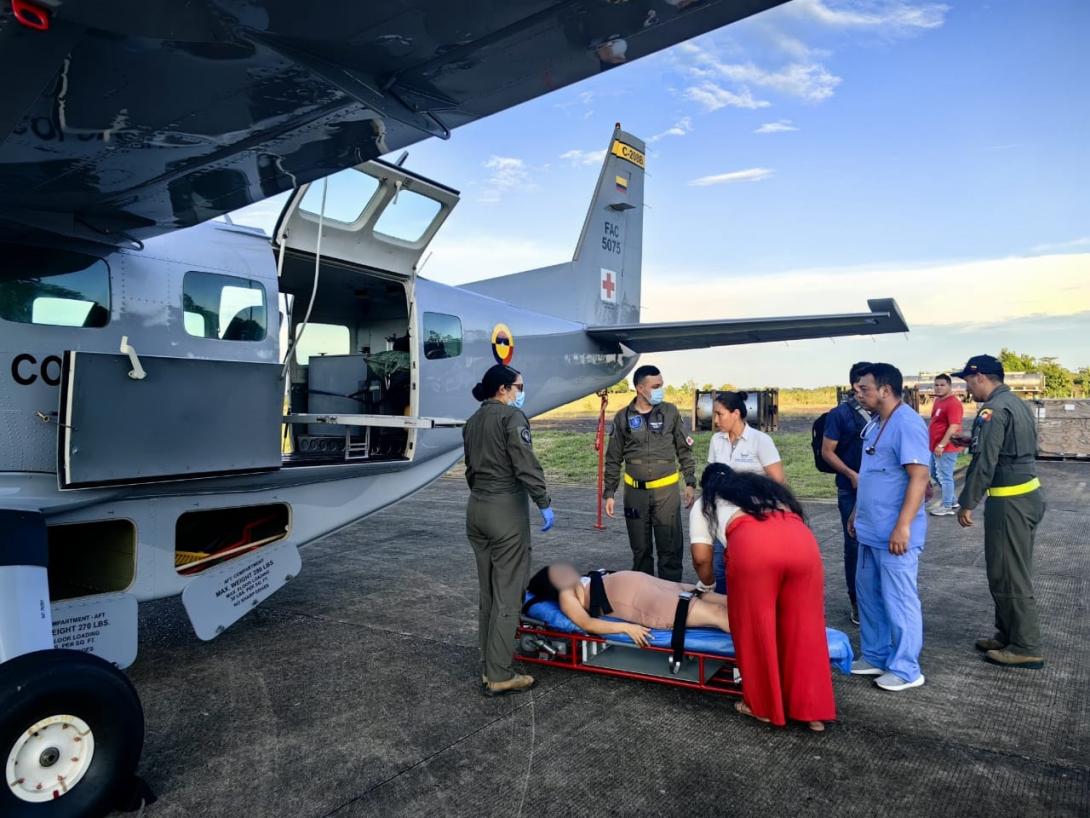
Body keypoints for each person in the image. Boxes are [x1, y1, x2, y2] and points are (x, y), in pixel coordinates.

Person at [700, 463, 835, 732]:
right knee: (805, 629)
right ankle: (812, 712)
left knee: (755, 628)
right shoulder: (766, 492)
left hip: (755, 550)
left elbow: (701, 557)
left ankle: (762, 707)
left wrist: (707, 587)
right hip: (802, 546)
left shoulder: (707, 503)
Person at [463, 364, 555, 697]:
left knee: (488, 594)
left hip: (477, 509)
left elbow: (471, 471)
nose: (521, 392)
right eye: (518, 386)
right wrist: (543, 500)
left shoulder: (473, 422)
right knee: (508, 594)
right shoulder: (511, 419)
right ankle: (500, 673)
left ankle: (489, 667)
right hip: (505, 513)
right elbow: (525, 463)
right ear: (503, 389)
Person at [954, 355, 1046, 669]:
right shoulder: (1016, 403)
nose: (967, 389)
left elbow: (985, 462)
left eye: (967, 382)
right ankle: (1007, 634)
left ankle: (1025, 645)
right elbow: (1011, 447)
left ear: (980, 377)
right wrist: (972, 441)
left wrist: (967, 501)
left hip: (1010, 503)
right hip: (1025, 496)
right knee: (1005, 570)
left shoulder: (992, 410)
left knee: (1010, 574)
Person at [847, 363, 930, 692]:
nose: (858, 394)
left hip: (894, 534)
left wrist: (903, 527)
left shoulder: (906, 423)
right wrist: (856, 512)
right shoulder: (876, 424)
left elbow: (919, 477)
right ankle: (876, 655)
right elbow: (870, 474)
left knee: (899, 600)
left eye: (863, 389)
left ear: (885, 390)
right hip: (869, 529)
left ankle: (907, 668)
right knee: (869, 597)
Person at [603, 365, 696, 581]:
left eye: (661, 385)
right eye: (655, 386)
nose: (660, 390)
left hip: (667, 494)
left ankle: (671, 602)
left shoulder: (670, 412)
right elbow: (613, 457)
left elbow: (684, 450)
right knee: (641, 551)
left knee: (670, 551)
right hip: (635, 496)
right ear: (640, 388)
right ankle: (646, 600)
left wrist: (690, 482)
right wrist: (610, 492)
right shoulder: (623, 417)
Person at [693, 391, 784, 594]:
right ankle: (724, 616)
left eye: (720, 414)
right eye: (714, 414)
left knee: (750, 570)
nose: (715, 420)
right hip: (722, 519)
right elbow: (711, 476)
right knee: (720, 569)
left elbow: (777, 481)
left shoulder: (760, 440)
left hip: (752, 519)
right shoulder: (716, 440)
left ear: (735, 413)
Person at [523, 563, 730, 644]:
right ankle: (761, 651)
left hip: (657, 586)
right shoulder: (565, 594)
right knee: (719, 614)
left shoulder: (579, 580)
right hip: (646, 603)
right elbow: (587, 624)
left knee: (728, 601)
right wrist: (626, 628)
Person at [820, 362, 874, 625]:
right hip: (849, 490)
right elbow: (827, 451)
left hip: (878, 489)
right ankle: (856, 601)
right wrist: (852, 474)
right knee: (854, 544)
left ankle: (874, 597)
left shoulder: (881, 413)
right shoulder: (840, 414)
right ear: (857, 385)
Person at [927, 373, 964, 516]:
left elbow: (954, 426)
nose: (938, 388)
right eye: (936, 385)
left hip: (946, 447)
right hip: (935, 446)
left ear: (949, 386)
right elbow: (935, 422)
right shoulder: (938, 401)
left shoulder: (953, 403)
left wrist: (941, 445)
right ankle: (952, 500)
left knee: (945, 476)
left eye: (942, 385)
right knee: (935, 474)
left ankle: (947, 506)